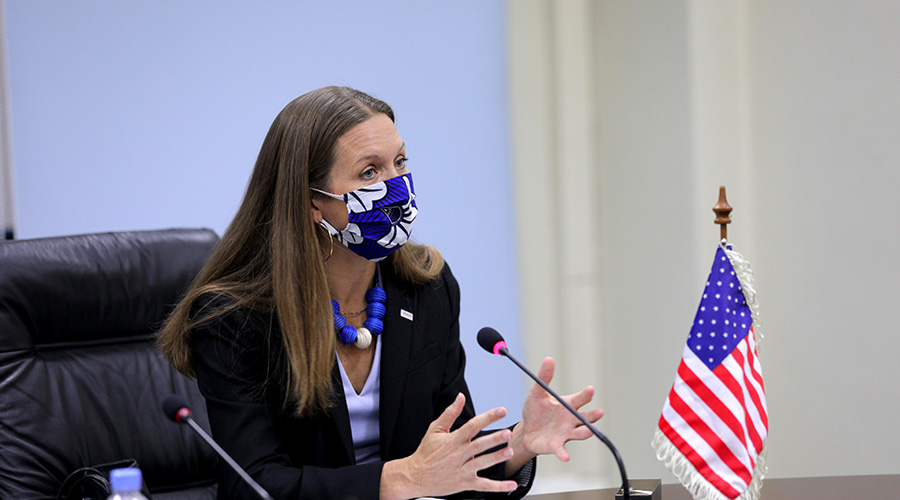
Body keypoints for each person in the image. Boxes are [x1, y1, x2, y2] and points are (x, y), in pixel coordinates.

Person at [157, 86, 603, 500]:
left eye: (401, 163)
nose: (397, 185)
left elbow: (451, 466)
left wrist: (519, 445)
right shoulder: (235, 317)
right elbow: (255, 485)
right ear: (312, 201)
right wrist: (397, 479)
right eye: (370, 171)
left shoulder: (426, 289)